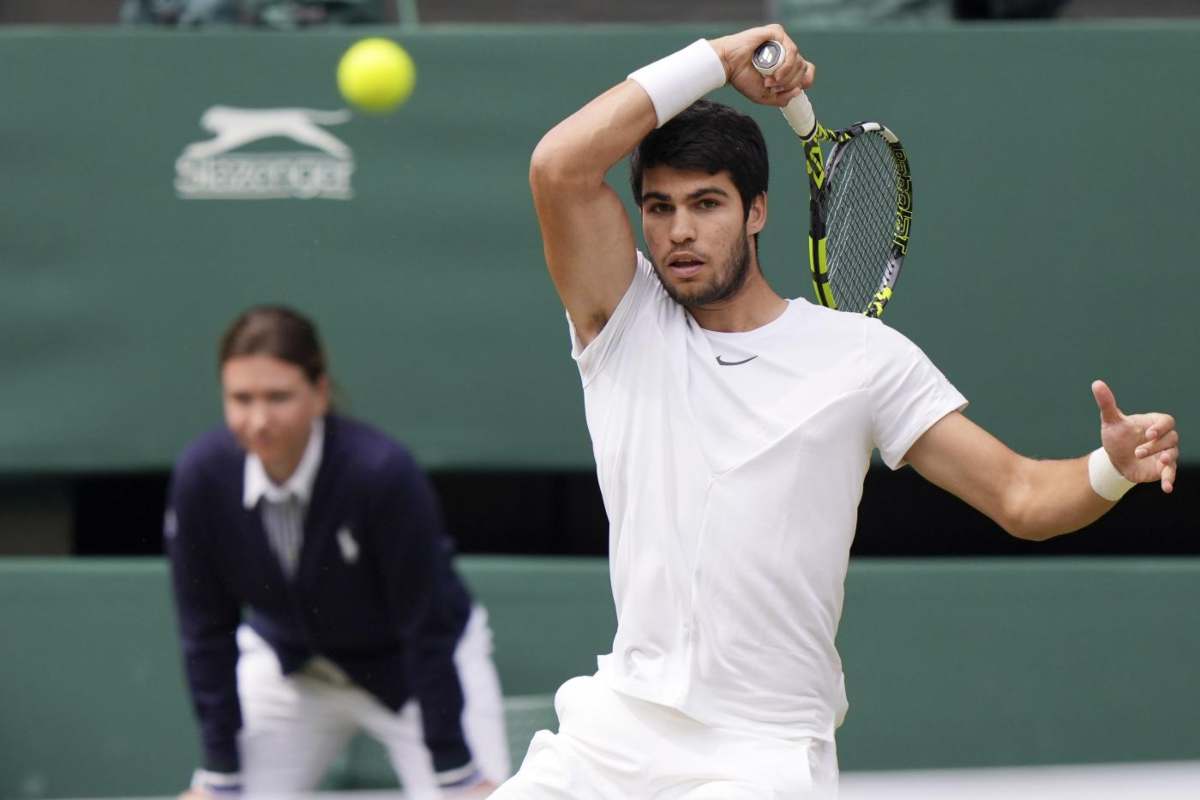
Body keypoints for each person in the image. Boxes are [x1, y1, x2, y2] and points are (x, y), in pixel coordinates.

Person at [498, 23, 1181, 799]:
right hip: (615, 731)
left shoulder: (862, 358)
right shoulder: (622, 322)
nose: (680, 231)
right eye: (659, 208)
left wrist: (1110, 470)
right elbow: (558, 167)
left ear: (757, 212)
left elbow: (1021, 498)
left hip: (764, 752)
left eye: (706, 204)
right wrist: (718, 62)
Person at [165, 306, 507, 798]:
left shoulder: (382, 473)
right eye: (241, 399)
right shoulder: (201, 478)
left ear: (319, 393)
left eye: (278, 397)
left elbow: (426, 626)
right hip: (293, 669)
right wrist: (219, 773)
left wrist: (456, 770)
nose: (258, 420)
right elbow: (205, 632)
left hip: (418, 670)